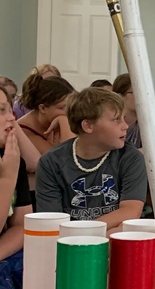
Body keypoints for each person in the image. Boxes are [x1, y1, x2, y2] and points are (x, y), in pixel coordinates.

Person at [34, 88, 147, 230]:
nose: (125, 126)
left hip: (111, 238)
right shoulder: (51, 162)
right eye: (116, 119)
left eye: (124, 118)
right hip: (68, 242)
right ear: (88, 126)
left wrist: (87, 233)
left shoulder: (131, 158)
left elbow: (130, 211)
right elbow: (51, 220)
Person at [0, 87, 31, 289]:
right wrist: (7, 177)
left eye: (10, 109)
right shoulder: (11, 165)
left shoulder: (11, 157)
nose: (11, 117)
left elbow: (22, 225)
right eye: (1, 111)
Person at [17, 74, 76, 166]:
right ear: (43, 108)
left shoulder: (55, 120)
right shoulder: (24, 133)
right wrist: (63, 121)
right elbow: (67, 163)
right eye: (62, 107)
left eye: (71, 106)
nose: (69, 112)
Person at [112, 73, 141, 149]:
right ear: (119, 96)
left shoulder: (144, 125)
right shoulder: (111, 125)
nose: (141, 97)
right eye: (136, 93)